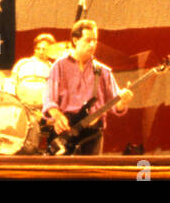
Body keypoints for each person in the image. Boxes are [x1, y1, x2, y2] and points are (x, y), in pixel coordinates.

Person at [42, 19, 131, 155]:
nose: (92, 44)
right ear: (76, 40)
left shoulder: (103, 71)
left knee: (90, 174)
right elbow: (49, 98)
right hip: (66, 132)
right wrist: (57, 116)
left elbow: (115, 106)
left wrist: (123, 101)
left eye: (95, 40)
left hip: (93, 134)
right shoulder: (59, 66)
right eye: (88, 40)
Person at [9, 33, 58, 107]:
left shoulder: (53, 67)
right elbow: (12, 81)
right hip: (21, 103)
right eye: (38, 48)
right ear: (34, 49)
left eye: (44, 49)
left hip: (44, 105)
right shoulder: (23, 63)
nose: (40, 52)